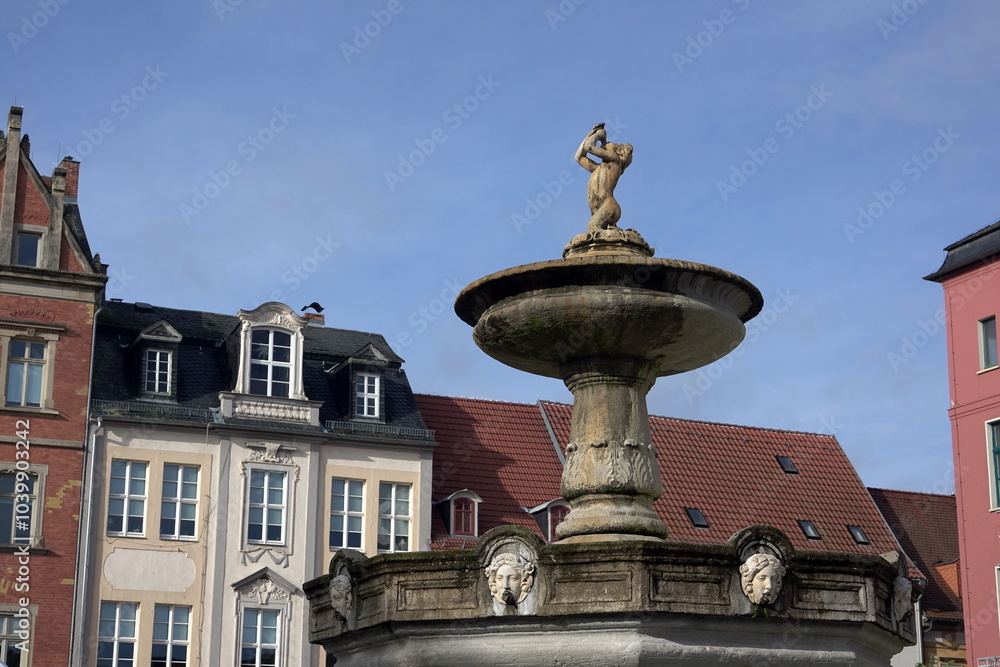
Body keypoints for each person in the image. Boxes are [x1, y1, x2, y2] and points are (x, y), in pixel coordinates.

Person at [574, 123, 633, 234]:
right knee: (596, 234)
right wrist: (589, 136)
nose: (608, 143)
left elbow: (589, 147)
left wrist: (599, 135)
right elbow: (579, 157)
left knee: (593, 230)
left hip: (608, 206)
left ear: (619, 151)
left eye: (612, 144)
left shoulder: (615, 159)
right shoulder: (600, 168)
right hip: (600, 208)